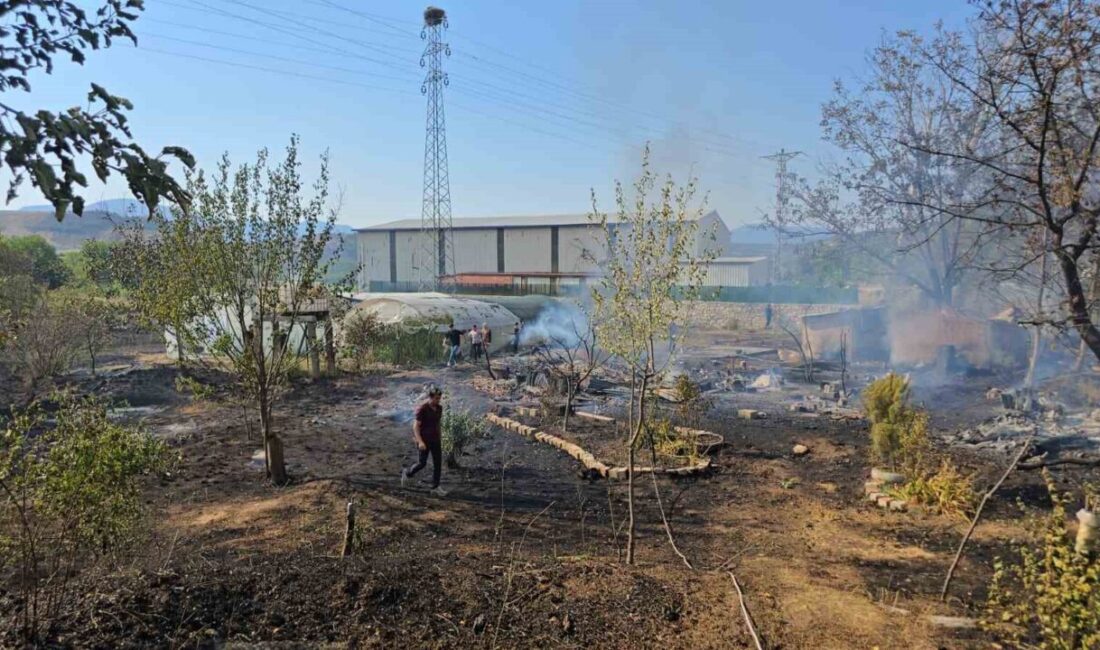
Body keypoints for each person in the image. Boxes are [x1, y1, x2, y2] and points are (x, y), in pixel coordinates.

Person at [400, 385, 446, 495]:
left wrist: (440, 437)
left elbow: (438, 423)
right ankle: (408, 473)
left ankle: (435, 487)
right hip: (424, 440)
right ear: (430, 397)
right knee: (422, 463)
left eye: (439, 398)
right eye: (435, 398)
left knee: (438, 464)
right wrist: (420, 441)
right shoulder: (423, 409)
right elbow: (416, 426)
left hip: (435, 440)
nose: (437, 400)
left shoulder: (439, 408)